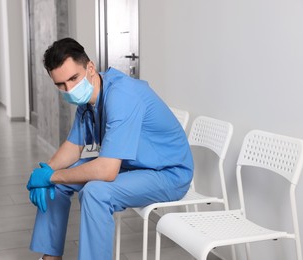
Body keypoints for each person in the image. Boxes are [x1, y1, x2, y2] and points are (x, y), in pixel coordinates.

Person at [26, 37, 194, 260]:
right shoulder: (89, 99)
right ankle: (51, 257)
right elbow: (73, 147)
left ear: (90, 68)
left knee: (95, 192)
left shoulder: (123, 95)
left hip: (168, 173)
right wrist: (44, 171)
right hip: (132, 165)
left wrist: (52, 176)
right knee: (59, 182)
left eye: (74, 78)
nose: (69, 89)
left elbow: (107, 170)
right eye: (61, 84)